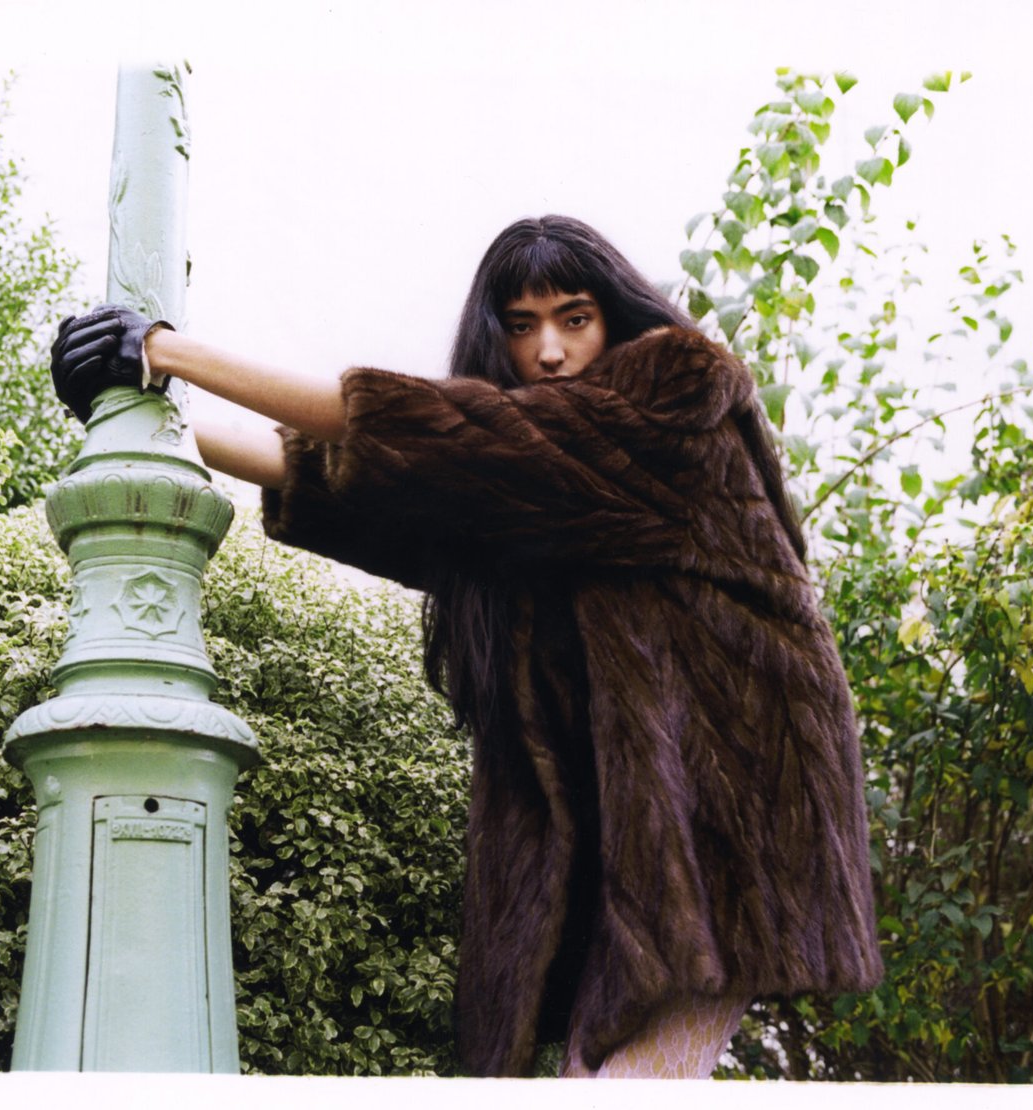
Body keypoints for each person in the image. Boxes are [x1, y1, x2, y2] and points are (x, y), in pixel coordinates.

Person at [50, 215, 882, 1078]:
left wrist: (164, 351)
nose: (550, 351)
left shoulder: (675, 393)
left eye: (575, 318)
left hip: (737, 795)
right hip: (639, 827)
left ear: (615, 317)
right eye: (522, 327)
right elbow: (339, 477)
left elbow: (429, 430)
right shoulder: (519, 485)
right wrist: (135, 415)